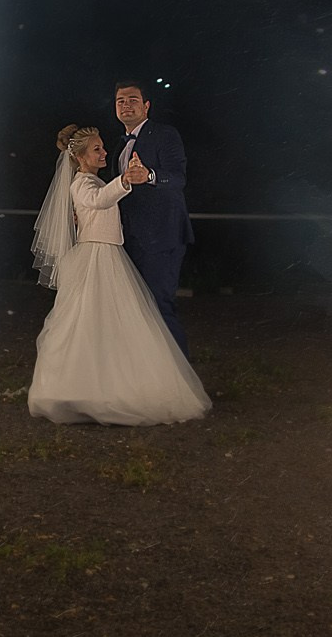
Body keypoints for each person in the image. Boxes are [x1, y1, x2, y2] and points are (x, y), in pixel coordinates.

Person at [26, 124, 211, 426]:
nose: (104, 152)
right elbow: (101, 200)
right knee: (89, 323)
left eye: (102, 147)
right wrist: (125, 179)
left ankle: (106, 386)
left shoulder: (93, 180)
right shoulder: (82, 183)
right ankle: (86, 389)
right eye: (97, 149)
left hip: (109, 255)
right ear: (81, 157)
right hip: (95, 258)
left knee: (110, 324)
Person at [110, 81, 192, 354]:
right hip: (130, 240)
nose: (126, 105)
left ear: (146, 106)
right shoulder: (118, 146)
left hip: (162, 237)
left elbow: (179, 178)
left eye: (133, 99)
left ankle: (180, 379)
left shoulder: (165, 134)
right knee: (135, 308)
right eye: (121, 100)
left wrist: (151, 176)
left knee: (160, 305)